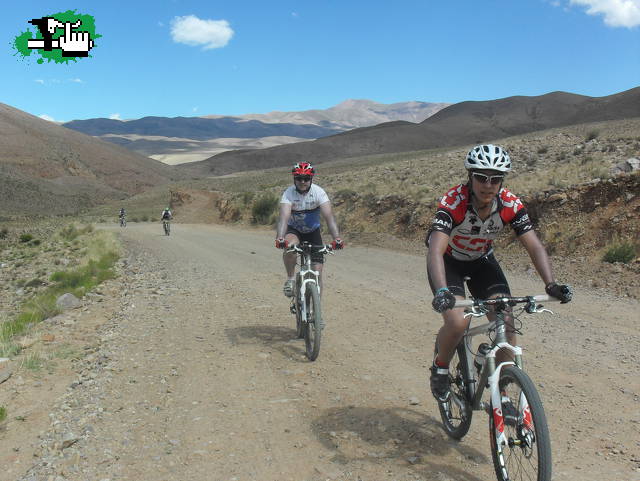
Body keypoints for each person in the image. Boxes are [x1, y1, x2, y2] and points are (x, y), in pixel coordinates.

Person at [426, 144, 572, 404]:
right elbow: (435, 251)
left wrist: (551, 284)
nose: (488, 184)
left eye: (495, 178)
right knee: (458, 322)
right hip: (450, 262)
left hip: (482, 261)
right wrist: (441, 291)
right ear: (470, 177)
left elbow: (534, 245)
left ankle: (501, 389)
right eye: (481, 177)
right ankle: (440, 367)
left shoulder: (509, 204)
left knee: (505, 319)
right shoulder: (454, 202)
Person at [275, 162, 343, 297]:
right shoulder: (289, 193)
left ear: (311, 179)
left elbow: (329, 217)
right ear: (294, 179)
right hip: (294, 230)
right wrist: (280, 237)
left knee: (317, 274)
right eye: (299, 178)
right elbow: (283, 218)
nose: (302, 182)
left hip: (313, 232)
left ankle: (317, 313)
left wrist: (337, 238)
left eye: (306, 179)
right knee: (290, 247)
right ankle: (290, 279)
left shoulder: (319, 192)